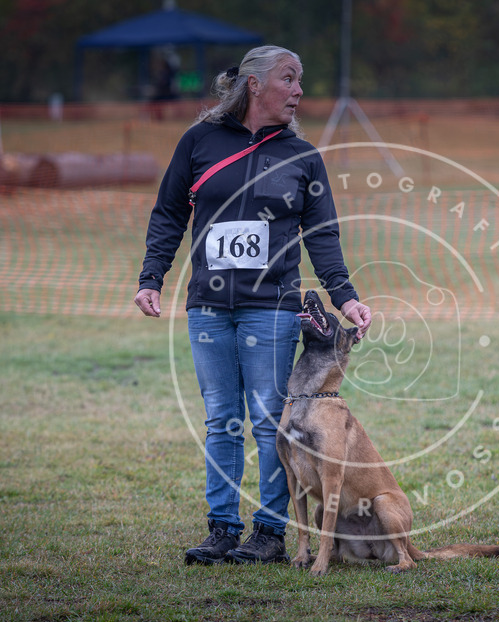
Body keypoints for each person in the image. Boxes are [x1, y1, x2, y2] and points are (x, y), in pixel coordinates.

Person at [134, 45, 372, 567]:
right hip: (209, 306)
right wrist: (152, 276)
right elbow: (169, 212)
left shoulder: (302, 155)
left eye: (301, 80)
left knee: (268, 420)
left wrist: (345, 296)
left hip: (273, 306)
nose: (299, 91)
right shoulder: (199, 141)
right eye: (289, 79)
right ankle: (221, 528)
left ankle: (268, 532)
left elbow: (323, 235)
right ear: (255, 85)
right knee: (221, 419)